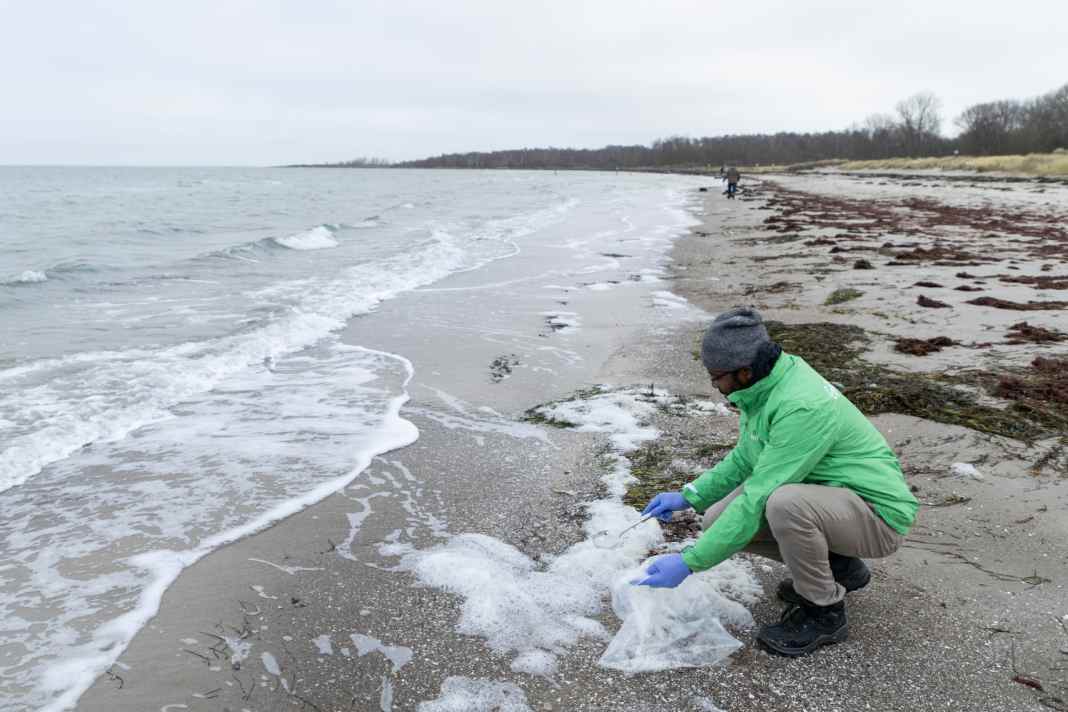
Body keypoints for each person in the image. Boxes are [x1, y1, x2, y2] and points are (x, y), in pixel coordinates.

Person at [633, 307, 918, 657]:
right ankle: (838, 567)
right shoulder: (765, 385)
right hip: (834, 500)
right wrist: (689, 495)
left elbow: (758, 497)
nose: (714, 386)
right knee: (715, 520)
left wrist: (690, 562)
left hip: (877, 514)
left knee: (784, 504)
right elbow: (744, 459)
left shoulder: (800, 405)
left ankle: (824, 611)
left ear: (744, 371)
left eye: (716, 377)